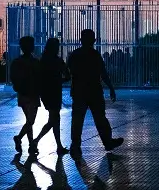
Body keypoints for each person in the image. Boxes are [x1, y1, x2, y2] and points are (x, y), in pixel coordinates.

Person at [67, 29, 123, 157]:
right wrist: (111, 88)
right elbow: (103, 74)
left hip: (79, 91)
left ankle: (75, 145)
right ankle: (107, 142)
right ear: (94, 40)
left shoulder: (75, 55)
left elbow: (69, 72)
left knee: (77, 120)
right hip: (94, 92)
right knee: (100, 119)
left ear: (81, 40)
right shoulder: (95, 55)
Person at [32, 37, 71, 155]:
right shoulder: (58, 61)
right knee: (54, 119)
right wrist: (59, 80)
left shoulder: (42, 61)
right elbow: (68, 76)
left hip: (45, 93)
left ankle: (55, 145)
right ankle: (38, 141)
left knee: (54, 119)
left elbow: (38, 77)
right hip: (55, 92)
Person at [11, 36, 41, 154]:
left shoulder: (17, 62)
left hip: (23, 94)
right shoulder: (35, 62)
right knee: (30, 121)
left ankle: (31, 144)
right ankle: (20, 138)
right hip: (33, 93)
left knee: (29, 120)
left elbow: (13, 77)